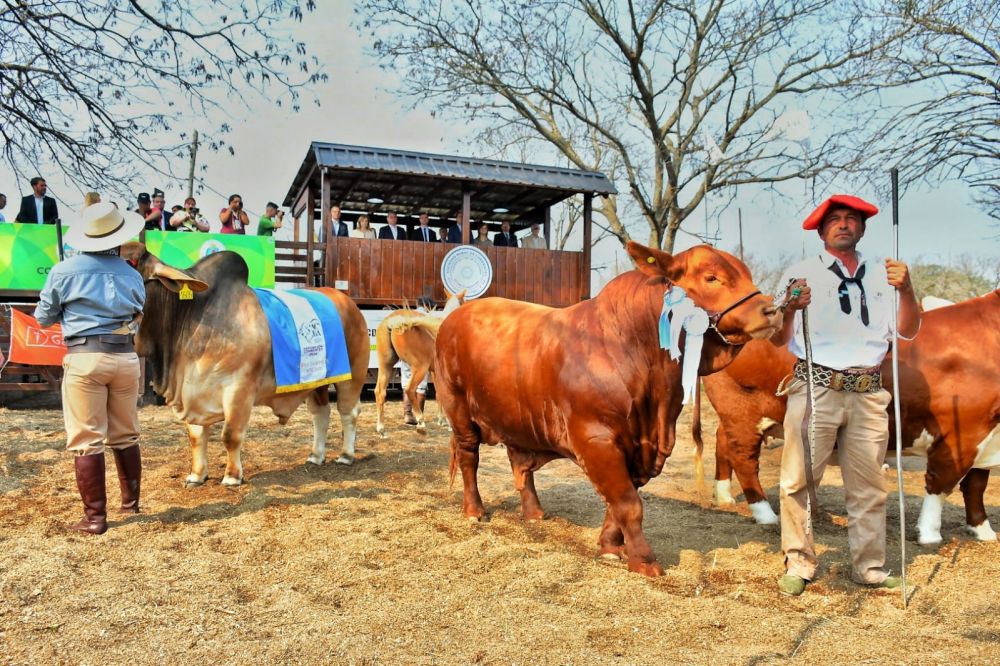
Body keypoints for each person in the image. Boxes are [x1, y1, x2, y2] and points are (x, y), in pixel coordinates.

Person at [771, 194, 920, 597]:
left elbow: (907, 330)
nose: (843, 224)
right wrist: (789, 309)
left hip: (869, 391)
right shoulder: (800, 273)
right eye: (834, 219)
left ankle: (868, 566)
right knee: (798, 479)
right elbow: (777, 338)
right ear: (821, 231)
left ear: (862, 228)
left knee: (870, 485)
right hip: (815, 388)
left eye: (850, 219)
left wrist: (906, 290)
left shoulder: (886, 273)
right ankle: (799, 562)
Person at [34, 201, 146, 535]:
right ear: (117, 237)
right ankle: (131, 505)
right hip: (126, 359)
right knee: (126, 433)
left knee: (87, 439)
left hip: (85, 357)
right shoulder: (132, 273)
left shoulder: (64, 270)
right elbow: (139, 311)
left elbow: (43, 317)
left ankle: (95, 518)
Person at [400, 295, 434, 425]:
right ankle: (418, 415)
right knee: (420, 385)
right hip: (421, 356)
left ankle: (407, 414)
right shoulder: (427, 318)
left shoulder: (407, 317)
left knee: (406, 382)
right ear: (428, 306)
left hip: (406, 353)